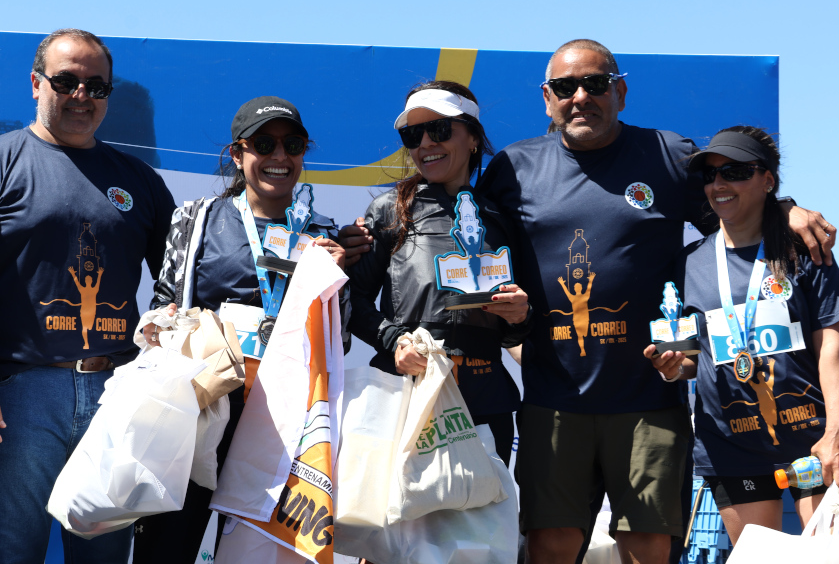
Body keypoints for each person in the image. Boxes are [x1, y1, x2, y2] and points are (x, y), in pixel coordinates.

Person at [474, 39, 838, 564]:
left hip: (649, 399)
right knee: (550, 545)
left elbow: (734, 208)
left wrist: (786, 209)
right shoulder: (512, 168)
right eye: (564, 87)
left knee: (648, 547)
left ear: (620, 91)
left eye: (595, 84)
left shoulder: (669, 154)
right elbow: (483, 264)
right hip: (554, 400)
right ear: (546, 99)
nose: (580, 97)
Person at [133, 96, 346, 563]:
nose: (279, 156)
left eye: (292, 144)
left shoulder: (324, 231)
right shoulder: (196, 218)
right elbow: (164, 303)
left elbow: (339, 341)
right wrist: (159, 327)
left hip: (282, 419)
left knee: (264, 555)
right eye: (263, 144)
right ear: (237, 154)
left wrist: (330, 283)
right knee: (168, 546)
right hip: (206, 406)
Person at [0, 28, 176, 563]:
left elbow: (183, 276)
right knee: (13, 551)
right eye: (67, 81)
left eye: (96, 87)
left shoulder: (138, 181)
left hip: (115, 397)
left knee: (102, 558)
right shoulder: (6, 161)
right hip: (23, 395)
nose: (82, 97)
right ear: (36, 84)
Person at [644, 126, 839, 544]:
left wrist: (838, 430)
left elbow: (830, 347)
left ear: (768, 180)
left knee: (834, 555)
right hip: (734, 444)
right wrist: (673, 368)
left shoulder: (804, 249)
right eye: (710, 176)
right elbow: (697, 358)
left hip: (814, 436)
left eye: (735, 171)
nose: (719, 184)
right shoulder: (690, 262)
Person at [347, 80, 531, 467]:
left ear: (474, 138)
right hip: (407, 394)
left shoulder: (502, 218)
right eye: (413, 134)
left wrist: (518, 317)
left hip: (486, 401)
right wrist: (395, 341)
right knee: (400, 525)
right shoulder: (388, 211)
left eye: (441, 129)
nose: (426, 143)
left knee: (484, 525)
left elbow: (516, 330)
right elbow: (354, 299)